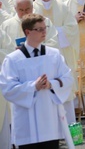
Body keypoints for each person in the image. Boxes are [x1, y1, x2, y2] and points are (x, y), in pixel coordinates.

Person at [0, 13, 75, 149]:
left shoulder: (54, 55)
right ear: (28, 32)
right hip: (26, 126)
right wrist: (33, 86)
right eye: (39, 29)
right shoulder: (13, 59)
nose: (44, 32)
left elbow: (68, 78)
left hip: (50, 123)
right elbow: (8, 89)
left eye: (45, 28)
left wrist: (51, 84)